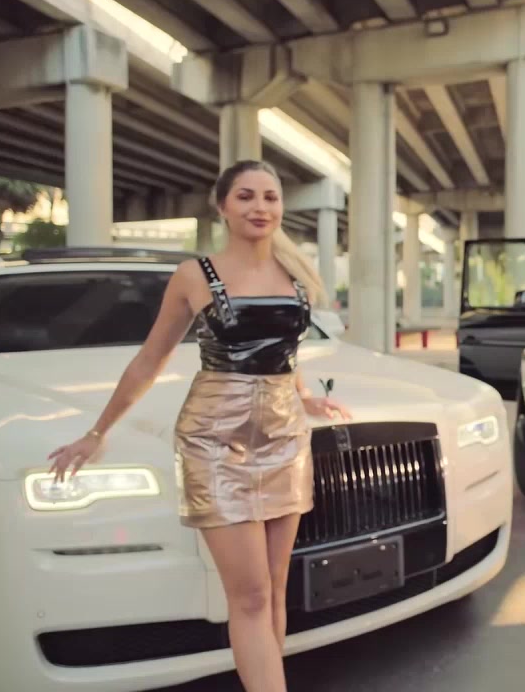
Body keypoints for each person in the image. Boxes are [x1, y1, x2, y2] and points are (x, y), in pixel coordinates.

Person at [48, 160, 351, 692]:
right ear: (223, 206)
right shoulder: (195, 274)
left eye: (271, 197)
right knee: (250, 596)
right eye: (246, 196)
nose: (260, 207)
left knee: (274, 589)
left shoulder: (296, 274)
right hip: (216, 438)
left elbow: (286, 352)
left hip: (285, 438)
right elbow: (151, 358)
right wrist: (96, 432)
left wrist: (305, 397)